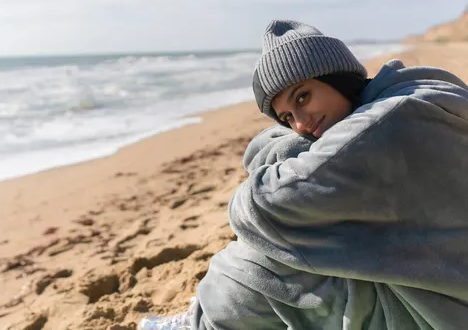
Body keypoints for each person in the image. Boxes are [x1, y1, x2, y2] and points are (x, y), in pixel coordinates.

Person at [139, 20, 468, 330]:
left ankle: (202, 323)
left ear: (336, 77)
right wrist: (294, 147)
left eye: (303, 96)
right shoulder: (416, 93)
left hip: (440, 312)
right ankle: (202, 316)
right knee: (306, 232)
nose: (300, 123)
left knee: (262, 261)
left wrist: (277, 164)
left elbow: (262, 206)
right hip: (441, 284)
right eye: (285, 117)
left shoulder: (388, 123)